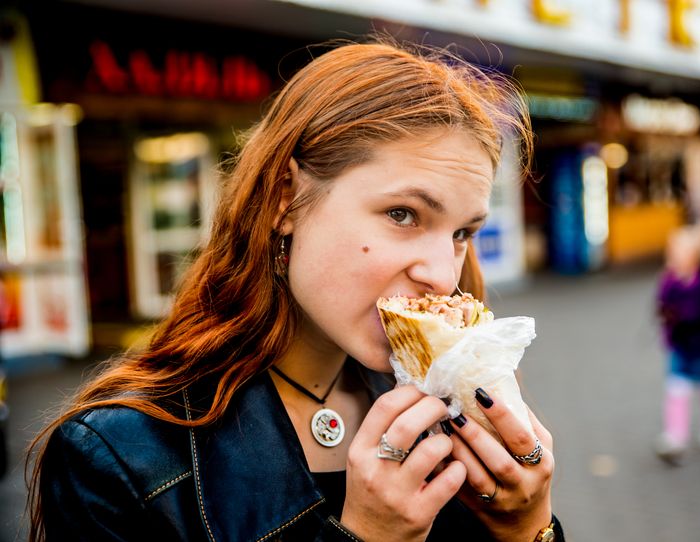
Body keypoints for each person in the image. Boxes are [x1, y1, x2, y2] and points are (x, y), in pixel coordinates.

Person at [26, 39, 565, 541]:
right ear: (286, 200)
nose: (443, 276)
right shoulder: (119, 457)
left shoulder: (451, 408)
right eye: (402, 214)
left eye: (462, 233)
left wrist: (527, 528)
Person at [653, 225, 700, 465]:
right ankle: (676, 435)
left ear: (694, 255)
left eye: (682, 253)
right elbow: (661, 305)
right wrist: (665, 320)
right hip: (679, 343)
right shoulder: (669, 280)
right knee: (677, 388)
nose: (676, 258)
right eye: (673, 252)